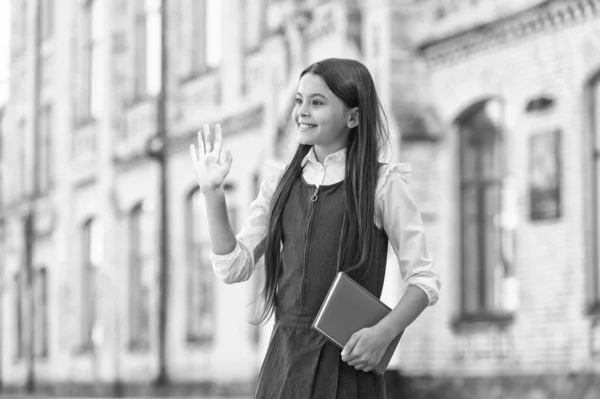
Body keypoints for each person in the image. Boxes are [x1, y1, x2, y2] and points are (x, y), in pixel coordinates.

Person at [189, 58, 441, 399]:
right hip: (284, 365)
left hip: (349, 363)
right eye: (298, 100)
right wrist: (212, 193)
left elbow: (423, 280)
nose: (301, 112)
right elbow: (234, 266)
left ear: (353, 116)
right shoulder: (280, 181)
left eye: (317, 102)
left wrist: (383, 334)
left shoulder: (382, 184)